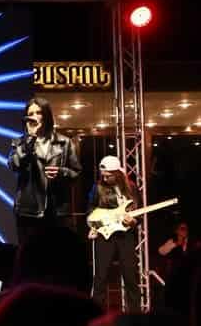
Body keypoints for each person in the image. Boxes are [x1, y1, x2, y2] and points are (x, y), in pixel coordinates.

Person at [8, 96, 80, 244]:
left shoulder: (64, 142)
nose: (34, 117)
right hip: (28, 211)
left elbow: (76, 172)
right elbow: (14, 165)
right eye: (31, 113)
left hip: (57, 209)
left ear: (46, 115)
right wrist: (30, 139)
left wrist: (61, 172)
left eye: (38, 112)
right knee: (30, 254)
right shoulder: (19, 143)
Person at [88, 154, 140, 311]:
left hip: (125, 236)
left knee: (130, 277)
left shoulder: (131, 187)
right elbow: (90, 209)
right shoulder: (97, 188)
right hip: (104, 235)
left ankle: (135, 315)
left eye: (108, 176)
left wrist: (133, 221)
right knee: (101, 277)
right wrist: (93, 226)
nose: (105, 178)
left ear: (117, 173)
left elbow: (138, 212)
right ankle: (96, 315)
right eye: (103, 175)